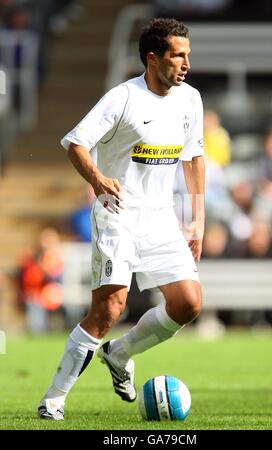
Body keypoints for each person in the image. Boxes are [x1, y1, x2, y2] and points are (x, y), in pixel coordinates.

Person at [37, 17, 205, 420]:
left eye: (188, 55)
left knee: (187, 304)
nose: (185, 63)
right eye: (177, 55)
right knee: (109, 309)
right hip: (118, 214)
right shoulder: (122, 99)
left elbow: (194, 156)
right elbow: (76, 143)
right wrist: (97, 180)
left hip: (162, 216)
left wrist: (197, 218)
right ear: (152, 58)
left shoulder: (190, 99)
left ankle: (120, 354)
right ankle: (53, 400)